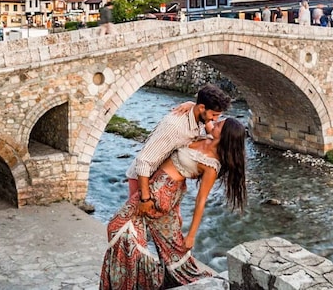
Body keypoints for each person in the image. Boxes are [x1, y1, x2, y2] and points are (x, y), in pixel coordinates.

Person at [101, 116, 247, 290]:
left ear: (225, 136)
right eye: (216, 121)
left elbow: (201, 200)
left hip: (160, 194)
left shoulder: (211, 165)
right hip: (157, 188)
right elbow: (204, 112)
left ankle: (142, 279)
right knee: (169, 247)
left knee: (116, 227)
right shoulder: (207, 137)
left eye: (218, 125)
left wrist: (191, 235)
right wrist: (190, 104)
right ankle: (144, 279)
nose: (213, 124)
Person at [126, 84, 231, 200]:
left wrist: (191, 104)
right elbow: (143, 161)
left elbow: (214, 133)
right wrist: (145, 198)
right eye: (214, 115)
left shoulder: (200, 117)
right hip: (144, 179)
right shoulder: (175, 127)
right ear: (202, 108)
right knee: (136, 216)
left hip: (166, 181)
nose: (215, 119)